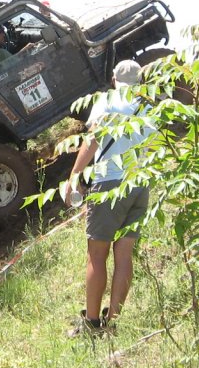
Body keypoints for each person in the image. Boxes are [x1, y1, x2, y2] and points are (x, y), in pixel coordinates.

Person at [64, 59, 152, 337]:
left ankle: (91, 324)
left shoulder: (107, 101)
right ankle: (112, 322)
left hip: (110, 183)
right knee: (124, 254)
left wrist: (74, 175)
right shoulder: (147, 106)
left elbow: (92, 140)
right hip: (139, 185)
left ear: (114, 79)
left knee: (97, 254)